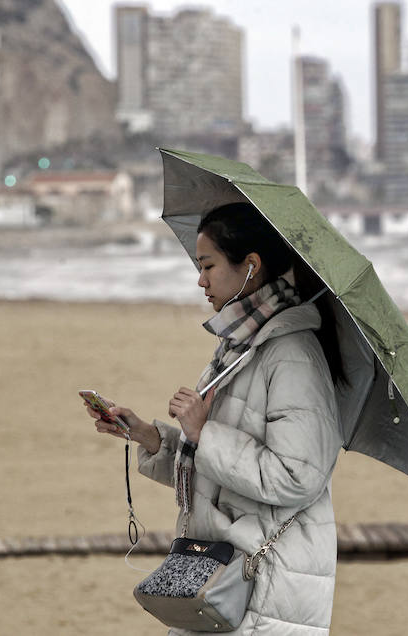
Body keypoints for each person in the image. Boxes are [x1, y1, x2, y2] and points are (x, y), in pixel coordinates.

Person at [86, 202, 344, 634]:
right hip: (213, 579)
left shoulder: (291, 354)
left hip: (263, 591)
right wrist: (151, 438)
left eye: (208, 265)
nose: (200, 280)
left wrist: (203, 433)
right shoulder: (240, 346)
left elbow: (297, 476)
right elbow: (216, 474)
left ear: (250, 266)